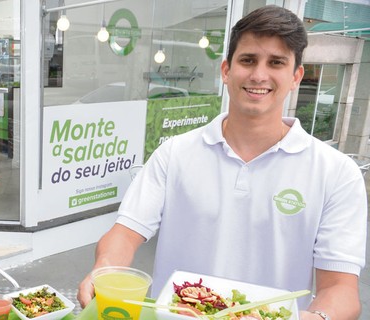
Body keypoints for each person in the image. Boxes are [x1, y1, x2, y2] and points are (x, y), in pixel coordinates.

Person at [77, 5, 367, 320]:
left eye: (276, 63)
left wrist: (313, 317)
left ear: (296, 75)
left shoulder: (336, 173)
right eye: (248, 60)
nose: (259, 75)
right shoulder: (175, 153)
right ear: (226, 70)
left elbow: (340, 289)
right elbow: (125, 232)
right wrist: (104, 268)